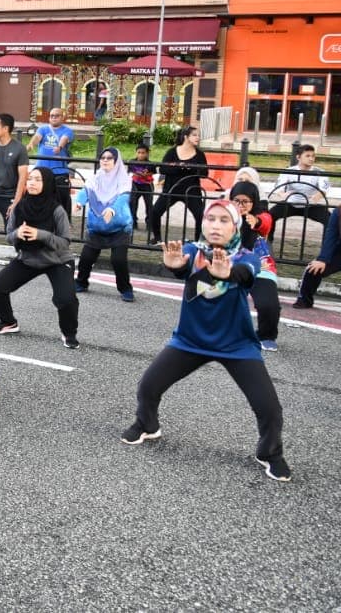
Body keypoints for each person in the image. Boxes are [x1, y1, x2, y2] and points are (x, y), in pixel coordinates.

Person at [121, 200, 290, 483]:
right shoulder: (192, 250)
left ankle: (269, 453)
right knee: (148, 387)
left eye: (224, 220)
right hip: (190, 340)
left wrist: (228, 273)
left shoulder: (247, 257)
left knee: (270, 408)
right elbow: (182, 265)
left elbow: (244, 274)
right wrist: (175, 267)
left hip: (236, 345)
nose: (215, 226)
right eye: (211, 219)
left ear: (235, 226)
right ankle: (147, 425)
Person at [0, 167, 81, 348]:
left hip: (57, 260)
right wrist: (17, 234)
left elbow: (64, 242)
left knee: (66, 299)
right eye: (30, 179)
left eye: (38, 180)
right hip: (28, 258)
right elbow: (9, 236)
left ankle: (69, 333)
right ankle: (8, 322)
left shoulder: (57, 210)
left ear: (47, 183)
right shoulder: (19, 207)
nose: (32, 183)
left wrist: (40, 235)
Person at [73, 147, 135, 302]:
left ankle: (125, 289)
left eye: (109, 158)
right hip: (97, 226)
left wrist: (112, 210)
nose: (105, 160)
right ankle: (81, 283)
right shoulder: (96, 178)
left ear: (116, 161)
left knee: (118, 260)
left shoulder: (124, 179)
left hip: (119, 227)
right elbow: (86, 191)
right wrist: (79, 202)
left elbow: (123, 198)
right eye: (103, 157)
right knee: (86, 258)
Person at [228, 180, 281, 351]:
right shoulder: (224, 214)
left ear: (254, 201)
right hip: (230, 263)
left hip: (260, 265)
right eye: (237, 200)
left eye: (246, 201)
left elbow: (264, 223)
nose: (241, 205)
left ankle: (266, 335)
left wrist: (255, 221)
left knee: (268, 304)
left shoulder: (262, 214)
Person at [147, 126, 208, 245]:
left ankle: (198, 242)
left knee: (200, 216)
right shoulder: (172, 151)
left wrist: (191, 169)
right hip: (171, 190)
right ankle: (157, 238)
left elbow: (205, 173)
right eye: (194, 135)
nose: (198, 138)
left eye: (198, 135)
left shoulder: (200, 154)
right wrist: (179, 167)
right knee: (155, 211)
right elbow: (163, 169)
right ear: (186, 137)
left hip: (192, 191)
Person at [269, 144, 331, 241]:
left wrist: (317, 196)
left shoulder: (320, 172)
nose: (311, 159)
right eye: (307, 156)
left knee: (330, 219)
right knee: (270, 215)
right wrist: (283, 194)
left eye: (313, 156)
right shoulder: (288, 171)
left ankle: (327, 249)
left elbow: (324, 190)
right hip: (290, 203)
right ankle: (267, 244)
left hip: (310, 205)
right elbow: (279, 187)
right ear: (298, 157)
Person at [28, 107, 75, 219]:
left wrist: (59, 147)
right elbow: (37, 137)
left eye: (57, 116)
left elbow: (64, 139)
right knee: (39, 197)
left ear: (62, 117)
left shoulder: (67, 130)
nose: (54, 118)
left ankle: (64, 222)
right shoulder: (43, 129)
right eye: (51, 116)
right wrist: (31, 144)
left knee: (62, 199)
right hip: (41, 171)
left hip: (60, 171)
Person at [295, 204, 341, 310]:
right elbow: (331, 236)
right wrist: (323, 259)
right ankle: (304, 300)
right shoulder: (338, 212)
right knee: (313, 269)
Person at [128, 144, 156, 229]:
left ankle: (150, 223)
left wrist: (145, 174)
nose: (140, 155)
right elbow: (130, 171)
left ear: (147, 153)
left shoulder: (150, 164)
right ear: (136, 153)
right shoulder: (132, 162)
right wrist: (137, 174)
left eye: (143, 153)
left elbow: (152, 172)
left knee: (149, 204)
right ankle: (133, 222)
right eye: (139, 152)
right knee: (132, 203)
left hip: (147, 185)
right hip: (135, 184)